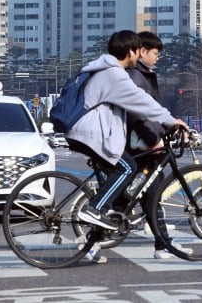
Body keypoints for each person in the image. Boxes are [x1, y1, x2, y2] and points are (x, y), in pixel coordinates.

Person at [69, 30, 187, 243]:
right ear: (132, 51)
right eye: (137, 49)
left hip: (89, 132)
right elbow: (140, 102)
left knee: (130, 187)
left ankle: (95, 242)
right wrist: (171, 120)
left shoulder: (105, 69)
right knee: (126, 168)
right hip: (89, 133)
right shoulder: (114, 75)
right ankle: (94, 208)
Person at [122, 31, 182, 259]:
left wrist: (167, 127)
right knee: (141, 195)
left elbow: (151, 112)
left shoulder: (143, 75)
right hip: (139, 147)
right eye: (155, 53)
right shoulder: (136, 77)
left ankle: (162, 244)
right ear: (142, 51)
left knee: (149, 195)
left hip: (143, 144)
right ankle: (94, 240)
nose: (158, 57)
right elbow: (139, 114)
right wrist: (154, 139)